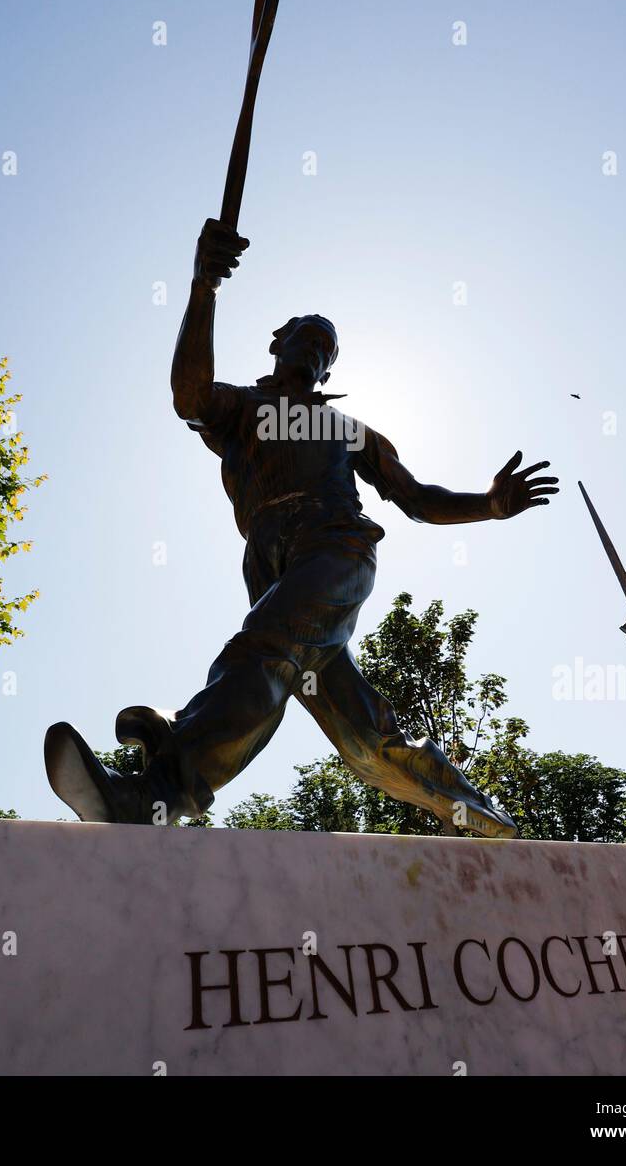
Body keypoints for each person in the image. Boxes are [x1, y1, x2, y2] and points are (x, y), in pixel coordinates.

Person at [45, 220, 559, 836]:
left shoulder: (349, 430)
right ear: (277, 344)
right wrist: (202, 284)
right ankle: (478, 814)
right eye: (307, 339)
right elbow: (189, 394)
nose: (317, 352)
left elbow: (417, 498)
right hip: (269, 563)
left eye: (328, 349)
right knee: (364, 736)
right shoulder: (240, 408)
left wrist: (489, 504)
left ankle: (159, 791)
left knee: (266, 647)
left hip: (334, 548)